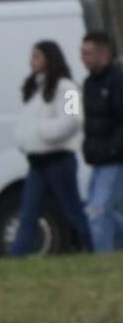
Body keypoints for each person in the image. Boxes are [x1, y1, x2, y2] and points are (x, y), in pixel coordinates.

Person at [9, 40, 93, 256]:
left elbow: (75, 119)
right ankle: (16, 257)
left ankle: (95, 247)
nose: (32, 61)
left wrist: (45, 132)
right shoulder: (36, 88)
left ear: (49, 58)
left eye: (37, 56)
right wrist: (24, 138)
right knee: (28, 213)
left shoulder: (68, 87)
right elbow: (28, 122)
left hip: (59, 160)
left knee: (73, 211)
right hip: (38, 162)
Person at [80, 31, 123, 252]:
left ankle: (103, 260)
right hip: (97, 158)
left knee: (98, 210)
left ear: (103, 54)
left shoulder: (116, 81)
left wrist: (113, 148)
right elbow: (80, 118)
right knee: (102, 212)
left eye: (87, 53)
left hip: (114, 159)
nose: (82, 58)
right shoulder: (88, 84)